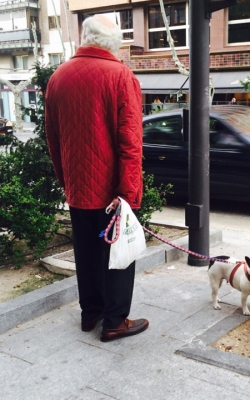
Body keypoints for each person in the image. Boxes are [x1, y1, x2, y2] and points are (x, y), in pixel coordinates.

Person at [45, 15, 149, 342]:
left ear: (85, 37)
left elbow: (53, 137)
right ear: (113, 42)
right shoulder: (121, 76)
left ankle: (90, 314)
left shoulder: (58, 78)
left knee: (86, 252)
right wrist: (129, 194)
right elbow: (130, 142)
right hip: (112, 192)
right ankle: (115, 321)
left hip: (78, 187)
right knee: (119, 255)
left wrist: (66, 179)